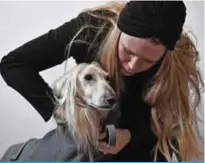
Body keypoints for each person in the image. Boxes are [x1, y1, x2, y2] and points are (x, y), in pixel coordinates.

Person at [0, 1, 204, 162]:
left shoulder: (174, 65)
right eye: (127, 52)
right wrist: (57, 108)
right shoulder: (90, 29)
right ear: (117, 33)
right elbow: (13, 64)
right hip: (89, 139)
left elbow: (167, 127)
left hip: (139, 138)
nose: (132, 66)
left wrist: (130, 136)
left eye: (148, 61)